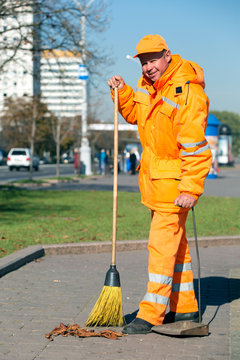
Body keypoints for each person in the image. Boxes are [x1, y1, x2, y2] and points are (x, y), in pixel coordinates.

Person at [107, 34, 212, 334]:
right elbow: (132, 115)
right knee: (177, 249)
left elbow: (195, 146)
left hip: (175, 185)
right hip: (155, 183)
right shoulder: (145, 86)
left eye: (152, 60)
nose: (147, 67)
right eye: (142, 62)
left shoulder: (188, 92)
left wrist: (190, 189)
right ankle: (185, 307)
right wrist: (122, 92)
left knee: (161, 246)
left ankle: (152, 312)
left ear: (167, 55)